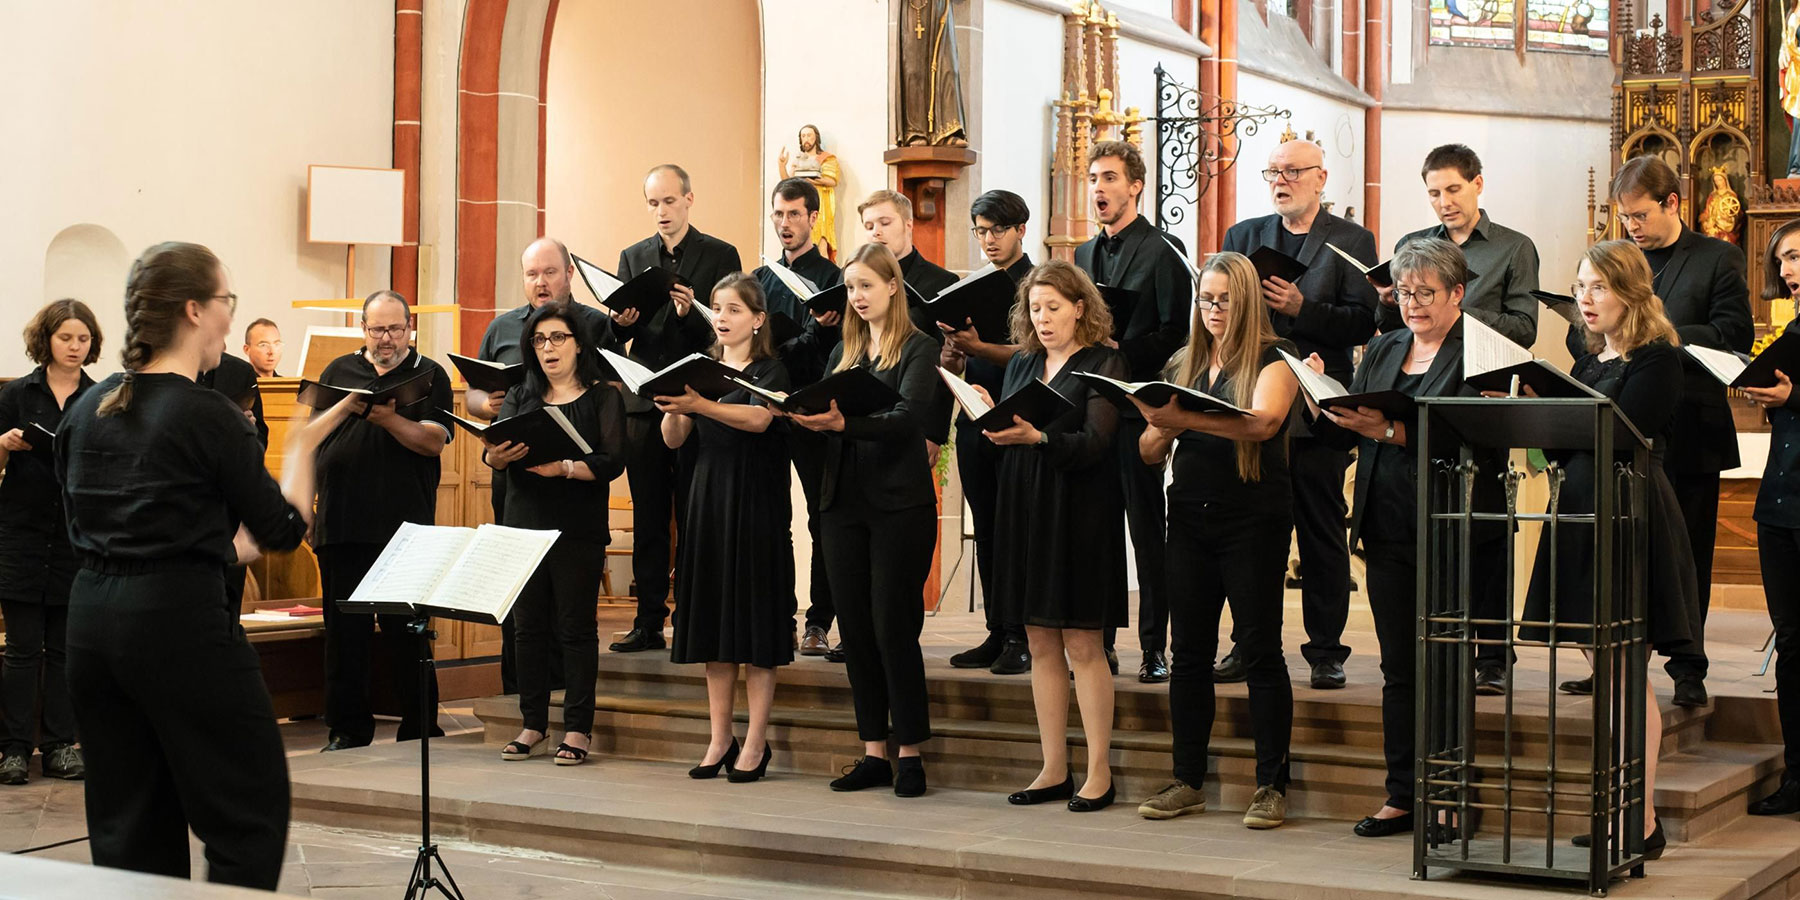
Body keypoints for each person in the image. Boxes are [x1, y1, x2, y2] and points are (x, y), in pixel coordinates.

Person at [56, 241, 353, 888]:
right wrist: (301, 446)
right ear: (195, 310)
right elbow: (280, 529)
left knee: (129, 819)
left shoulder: (86, 408)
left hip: (91, 626)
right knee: (250, 806)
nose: (228, 319)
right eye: (227, 303)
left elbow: (110, 525)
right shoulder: (208, 416)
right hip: (176, 625)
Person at [1299, 238, 1505, 837]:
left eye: (1425, 293)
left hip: (1453, 524)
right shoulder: (1386, 347)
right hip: (1387, 525)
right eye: (1404, 292)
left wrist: (1389, 429)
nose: (1411, 304)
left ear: (1458, 294)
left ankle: (1451, 798)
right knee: (1399, 669)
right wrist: (1324, 402)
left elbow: (1478, 438)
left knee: (1446, 665)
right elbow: (1346, 440)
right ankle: (1403, 794)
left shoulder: (1483, 353)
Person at [1523, 240, 1701, 861]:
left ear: (1630, 292)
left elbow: (1622, 434)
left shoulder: (1658, 360)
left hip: (1630, 519)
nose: (1584, 299)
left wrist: (1558, 417)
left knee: (1626, 678)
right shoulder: (1589, 365)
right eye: (1578, 288)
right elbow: (1560, 448)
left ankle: (1640, 817)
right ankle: (1620, 811)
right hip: (1577, 515)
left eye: (1597, 287)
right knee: (1607, 677)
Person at [1556, 157, 1751, 709]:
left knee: (1686, 552)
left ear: (1672, 203)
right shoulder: (1622, 262)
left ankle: (1689, 666)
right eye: (1625, 218)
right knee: (1622, 555)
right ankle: (1618, 662)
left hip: (1689, 424)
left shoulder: (1717, 256)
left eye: (1641, 214)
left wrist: (1655, 332)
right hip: (1621, 421)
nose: (1633, 227)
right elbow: (1592, 347)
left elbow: (1733, 334)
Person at [1132, 251, 1299, 829]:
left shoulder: (1277, 362)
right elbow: (1150, 452)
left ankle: (1271, 786)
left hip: (1253, 518)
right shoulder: (1184, 363)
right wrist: (1159, 427)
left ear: (1248, 300)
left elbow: (1262, 424)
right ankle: (1187, 780)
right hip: (1190, 517)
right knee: (1190, 654)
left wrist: (1187, 421)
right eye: (1206, 298)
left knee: (1259, 649)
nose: (1214, 309)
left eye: (1225, 299)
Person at [1219, 138, 1379, 691]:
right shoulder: (1243, 237)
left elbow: (1363, 323)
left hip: (1317, 405)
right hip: (1253, 397)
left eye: (1290, 171)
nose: (1279, 179)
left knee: (1320, 531)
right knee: (1254, 532)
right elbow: (1220, 304)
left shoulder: (1351, 241)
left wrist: (1300, 308)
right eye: (1272, 171)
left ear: (1320, 178)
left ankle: (1327, 650)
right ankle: (1248, 642)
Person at [791, 243, 938, 798]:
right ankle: (874, 748)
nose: (857, 297)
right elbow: (827, 412)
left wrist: (842, 423)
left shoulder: (918, 348)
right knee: (853, 629)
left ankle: (912, 753)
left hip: (899, 505)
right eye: (851, 288)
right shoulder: (845, 353)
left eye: (867, 286)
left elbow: (909, 419)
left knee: (891, 627)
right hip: (842, 505)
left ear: (892, 287)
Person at [982, 260, 1126, 811]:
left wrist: (1038, 436)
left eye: (1053, 308)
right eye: (1034, 309)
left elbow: (1096, 444)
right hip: (1026, 507)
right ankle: (1052, 767)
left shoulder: (1103, 362)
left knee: (1083, 643)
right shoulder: (1022, 364)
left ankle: (1098, 771)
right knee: (1040, 640)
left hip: (1080, 512)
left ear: (1080, 309)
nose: (1042, 319)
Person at [659, 274, 794, 783]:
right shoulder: (702, 369)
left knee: (756, 627)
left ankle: (755, 742)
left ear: (757, 319)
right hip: (708, 500)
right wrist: (674, 408)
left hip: (756, 504)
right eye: (717, 307)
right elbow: (673, 441)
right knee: (715, 627)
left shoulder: (771, 368)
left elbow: (759, 421)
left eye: (734, 309)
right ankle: (720, 737)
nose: (722, 316)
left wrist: (700, 405)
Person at [468, 237, 613, 693]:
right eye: (532, 274)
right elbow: (473, 391)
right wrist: (486, 407)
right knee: (522, 599)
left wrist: (569, 464)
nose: (541, 282)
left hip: (573, 496)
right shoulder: (502, 327)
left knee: (568, 608)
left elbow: (606, 403)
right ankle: (522, 696)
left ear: (568, 273)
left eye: (549, 272)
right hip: (518, 482)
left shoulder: (593, 326)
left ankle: (563, 699)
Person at [313, 290, 455, 752]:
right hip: (341, 520)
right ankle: (348, 729)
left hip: (404, 527)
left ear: (410, 328)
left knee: (407, 632)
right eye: (378, 329)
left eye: (396, 329)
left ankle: (418, 725)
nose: (387, 339)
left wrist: (388, 420)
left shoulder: (430, 375)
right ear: (363, 329)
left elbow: (434, 442)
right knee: (344, 635)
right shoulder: (339, 372)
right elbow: (313, 439)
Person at [486, 301, 627, 767]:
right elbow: (493, 451)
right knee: (528, 629)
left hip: (576, 528)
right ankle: (532, 724)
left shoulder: (602, 396)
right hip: (523, 524)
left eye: (558, 338)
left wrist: (566, 467)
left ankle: (578, 728)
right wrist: (497, 458)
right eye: (539, 340)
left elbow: (611, 461)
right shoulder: (520, 396)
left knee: (575, 629)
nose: (548, 348)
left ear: (579, 344)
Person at [1073, 139, 1193, 682]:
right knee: (1094, 535)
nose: (1099, 188)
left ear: (1135, 186)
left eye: (1110, 178)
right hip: (1090, 410)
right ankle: (1099, 644)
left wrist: (1125, 348)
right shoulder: (1081, 255)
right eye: (1094, 178)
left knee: (1147, 532)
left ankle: (1154, 648)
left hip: (1138, 410)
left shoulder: (1165, 249)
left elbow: (1176, 333)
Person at [610, 164, 740, 654]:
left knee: (693, 513)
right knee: (648, 516)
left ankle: (691, 615)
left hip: (696, 400)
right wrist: (620, 321)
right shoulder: (633, 256)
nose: (661, 211)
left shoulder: (719, 254)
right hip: (644, 404)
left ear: (689, 199)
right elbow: (618, 336)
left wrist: (693, 315)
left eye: (669, 201)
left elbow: (729, 331)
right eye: (652, 203)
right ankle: (648, 621)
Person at [0, 299, 101, 786]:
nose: (75, 347)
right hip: (20, 535)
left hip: (73, 537)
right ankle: (13, 749)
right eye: (66, 338)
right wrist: (3, 445)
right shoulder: (17, 395)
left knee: (64, 650)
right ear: (47, 340)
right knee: (21, 650)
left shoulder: (102, 398)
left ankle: (60, 745)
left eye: (83, 339)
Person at [751, 177, 844, 658]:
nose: (785, 223)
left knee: (820, 519)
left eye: (794, 215)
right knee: (770, 519)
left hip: (810, 411)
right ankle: (776, 615)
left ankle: (818, 623)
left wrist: (820, 334)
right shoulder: (760, 280)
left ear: (812, 217)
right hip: (766, 410)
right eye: (778, 215)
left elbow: (840, 350)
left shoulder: (833, 278)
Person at [943, 189, 1032, 675]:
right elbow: (968, 355)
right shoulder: (976, 285)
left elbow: (1035, 351)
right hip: (976, 418)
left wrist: (982, 347)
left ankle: (1020, 634)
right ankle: (997, 631)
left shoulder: (1038, 284)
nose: (988, 240)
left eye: (997, 230)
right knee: (987, 528)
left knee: (1014, 529)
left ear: (1021, 228)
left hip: (1017, 420)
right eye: (980, 230)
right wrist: (957, 354)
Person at [1745, 219, 1800, 816]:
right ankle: (1797, 775)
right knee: (1792, 643)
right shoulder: (1793, 329)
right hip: (1781, 503)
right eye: (1782, 260)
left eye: (1797, 257)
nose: (1787, 270)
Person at [1383, 144, 1541, 350]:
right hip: (1421, 368)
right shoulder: (1410, 245)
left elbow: (1524, 330)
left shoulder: (1516, 247)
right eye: (1434, 194)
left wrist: (1458, 316)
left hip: (1481, 371)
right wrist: (1387, 304)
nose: (1444, 202)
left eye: (1453, 190)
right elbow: (1393, 331)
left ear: (1478, 184)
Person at [860, 189, 956, 468]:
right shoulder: (855, 281)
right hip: (863, 415)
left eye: (884, 223)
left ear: (908, 225)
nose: (876, 232)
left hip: (914, 413)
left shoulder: (941, 282)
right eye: (869, 226)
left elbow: (944, 363)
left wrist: (935, 432)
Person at [777, 124, 840, 258]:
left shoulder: (827, 158)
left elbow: (832, 181)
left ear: (816, 138)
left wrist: (811, 180)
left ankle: (823, 277)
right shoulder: (798, 160)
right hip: (801, 208)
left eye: (809, 135)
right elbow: (788, 182)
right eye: (803, 136)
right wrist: (782, 166)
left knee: (821, 243)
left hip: (821, 206)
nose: (806, 139)